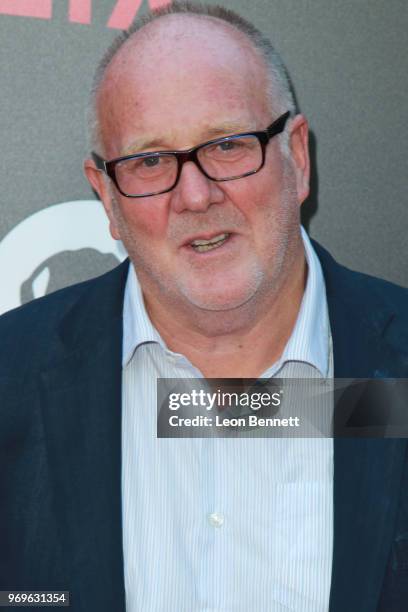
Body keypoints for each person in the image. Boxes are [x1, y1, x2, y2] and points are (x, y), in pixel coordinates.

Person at [1, 3, 407, 611]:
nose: (196, 195)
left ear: (297, 156)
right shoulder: (11, 374)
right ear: (106, 197)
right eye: (150, 161)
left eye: (227, 145)